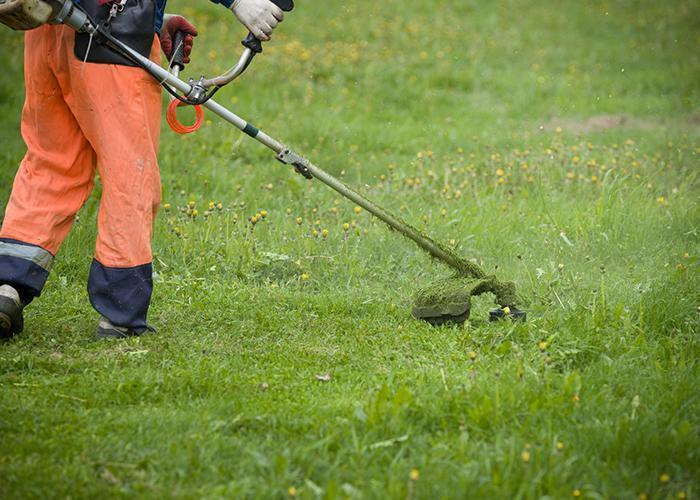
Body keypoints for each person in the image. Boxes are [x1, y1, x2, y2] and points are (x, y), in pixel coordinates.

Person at [0, 0, 285, 339]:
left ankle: (7, 287)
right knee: (129, 176)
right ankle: (120, 314)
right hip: (108, 40)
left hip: (47, 27)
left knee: (51, 164)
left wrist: (153, 18)